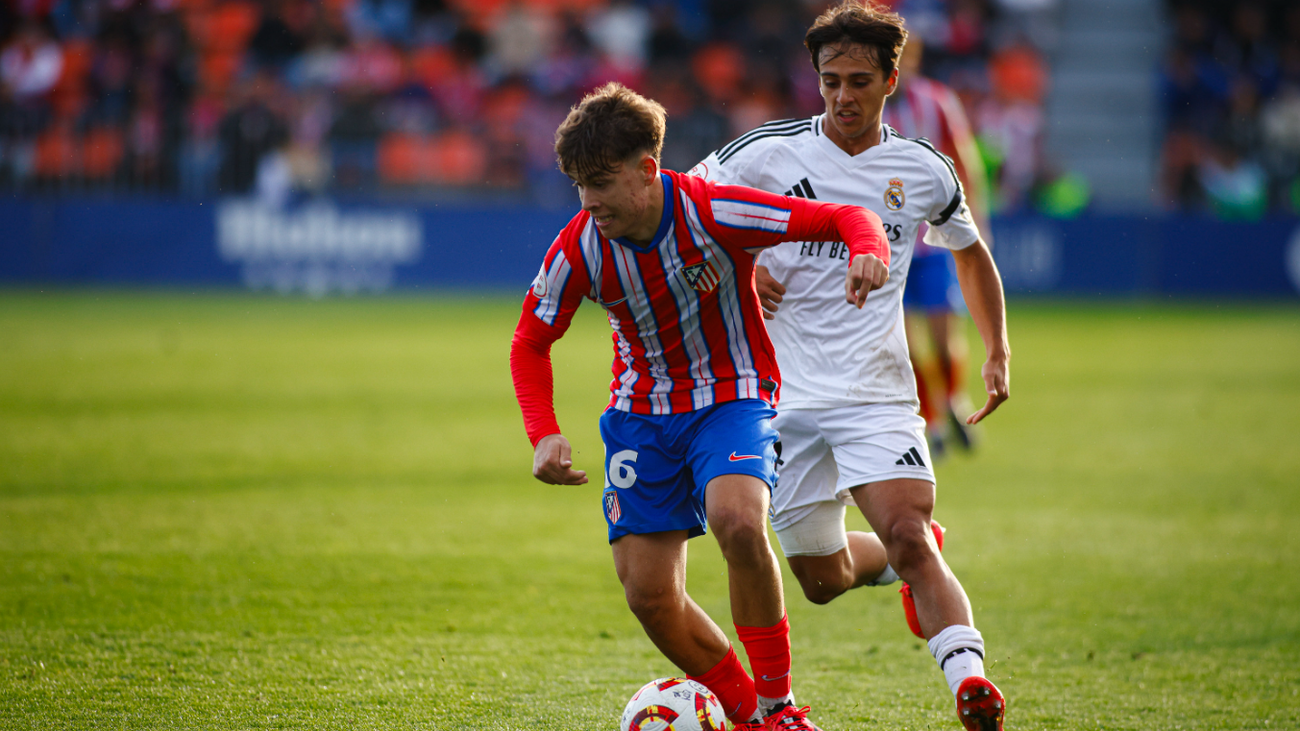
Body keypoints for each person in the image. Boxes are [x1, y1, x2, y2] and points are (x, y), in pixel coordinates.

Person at [510, 81, 892, 731]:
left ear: (648, 169)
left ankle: (779, 706)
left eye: (601, 181)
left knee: (738, 520)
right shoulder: (580, 246)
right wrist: (542, 431)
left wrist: (869, 250)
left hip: (732, 394)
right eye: (580, 184)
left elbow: (841, 218)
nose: (589, 199)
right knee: (650, 597)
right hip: (641, 416)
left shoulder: (714, 210)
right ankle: (750, 716)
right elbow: (530, 342)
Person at [689, 3, 1010, 730]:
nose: (842, 96)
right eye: (830, 80)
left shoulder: (923, 169)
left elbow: (969, 250)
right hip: (780, 399)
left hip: (877, 393)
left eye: (859, 80)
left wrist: (997, 348)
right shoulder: (765, 152)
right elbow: (687, 212)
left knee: (907, 529)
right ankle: (898, 564)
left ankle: (971, 681)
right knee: (821, 579)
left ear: (892, 80)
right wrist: (742, 266)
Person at [883, 36, 993, 457]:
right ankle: (932, 423)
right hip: (888, 247)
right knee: (905, 347)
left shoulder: (936, 101)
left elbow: (965, 160)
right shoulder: (862, 108)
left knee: (945, 342)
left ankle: (953, 398)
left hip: (931, 242)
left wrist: (975, 220)